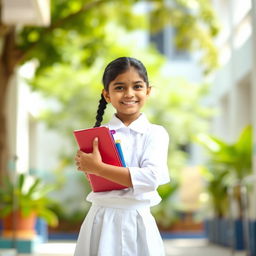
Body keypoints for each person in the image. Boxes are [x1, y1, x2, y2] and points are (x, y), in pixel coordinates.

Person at [74, 57, 170, 256]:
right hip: (101, 219)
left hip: (138, 219)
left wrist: (98, 168)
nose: (129, 94)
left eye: (137, 86)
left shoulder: (156, 133)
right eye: (119, 88)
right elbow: (97, 182)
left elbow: (151, 178)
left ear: (148, 91)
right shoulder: (97, 136)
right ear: (107, 95)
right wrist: (87, 166)